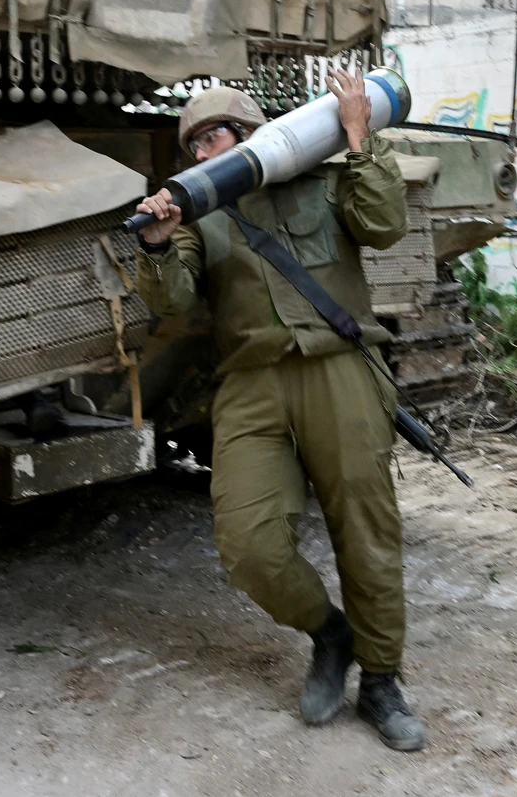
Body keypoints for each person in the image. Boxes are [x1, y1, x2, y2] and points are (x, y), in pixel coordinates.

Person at [131, 70, 425, 751]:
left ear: (252, 132)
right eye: (195, 144)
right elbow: (172, 300)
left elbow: (383, 224)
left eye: (218, 135)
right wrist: (155, 242)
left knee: (366, 530)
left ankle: (381, 680)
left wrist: (360, 143)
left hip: (338, 366)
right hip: (252, 383)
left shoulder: (323, 181)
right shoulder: (203, 216)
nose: (206, 152)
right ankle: (331, 633)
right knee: (248, 544)